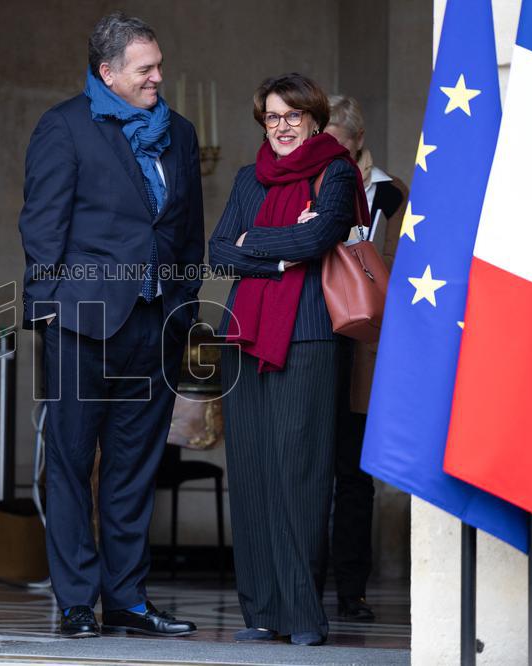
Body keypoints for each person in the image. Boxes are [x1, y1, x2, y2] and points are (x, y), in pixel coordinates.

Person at [17, 11, 203, 639]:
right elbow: (41, 230)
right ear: (108, 73)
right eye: (145, 68)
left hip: (154, 326)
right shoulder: (64, 127)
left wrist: (182, 306)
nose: (158, 77)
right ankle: (76, 601)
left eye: (159, 65)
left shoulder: (178, 132)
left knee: (133, 469)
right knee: (70, 464)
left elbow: (185, 234)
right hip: (81, 325)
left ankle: (126, 600)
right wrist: (52, 310)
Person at [208, 73, 369, 646]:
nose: (280, 127)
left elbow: (317, 240)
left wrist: (257, 242)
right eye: (272, 117)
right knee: (251, 475)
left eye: (291, 116)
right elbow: (218, 250)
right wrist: (274, 250)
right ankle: (263, 611)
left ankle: (303, 615)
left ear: (314, 120)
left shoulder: (337, 172)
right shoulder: (249, 178)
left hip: (307, 337)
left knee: (300, 475)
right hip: (243, 336)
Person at [323, 94, 409, 622]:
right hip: (312, 339)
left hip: (362, 346)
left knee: (353, 472)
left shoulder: (390, 195)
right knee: (311, 469)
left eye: (335, 144)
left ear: (356, 142)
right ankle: (300, 583)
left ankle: (351, 587)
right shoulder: (304, 183)